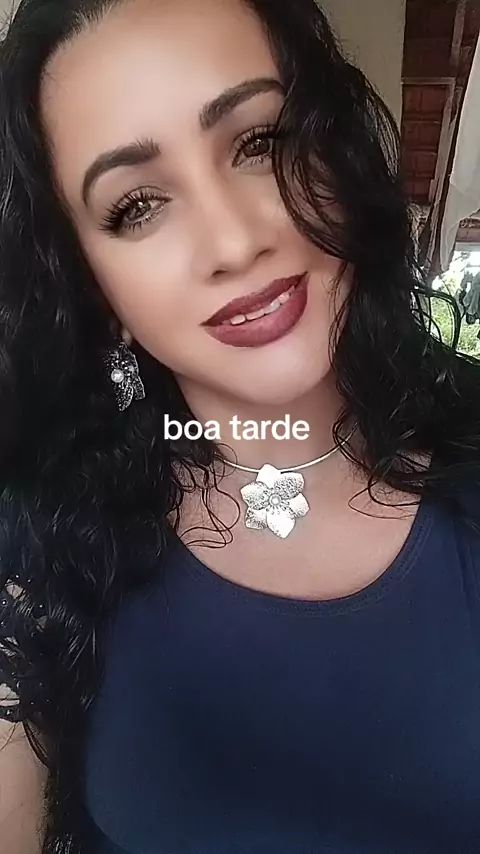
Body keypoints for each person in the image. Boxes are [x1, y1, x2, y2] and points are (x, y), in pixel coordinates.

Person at [1, 0, 480, 852]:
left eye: (258, 143)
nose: (231, 243)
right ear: (91, 286)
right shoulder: (40, 546)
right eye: (137, 205)